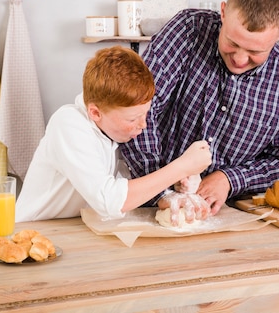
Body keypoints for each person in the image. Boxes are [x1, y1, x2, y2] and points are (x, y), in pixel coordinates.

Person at [120, 0, 279, 217]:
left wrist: (229, 179)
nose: (240, 59)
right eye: (232, 43)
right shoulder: (187, 31)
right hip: (145, 205)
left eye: (255, 51)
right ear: (223, 12)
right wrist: (163, 191)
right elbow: (138, 110)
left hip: (231, 216)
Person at [15, 46, 212, 223]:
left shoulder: (115, 132)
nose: (143, 125)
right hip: (33, 232)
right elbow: (110, 200)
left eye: (146, 114)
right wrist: (182, 166)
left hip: (75, 230)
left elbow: (134, 187)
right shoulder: (68, 124)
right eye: (133, 119)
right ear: (95, 113)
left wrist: (175, 186)